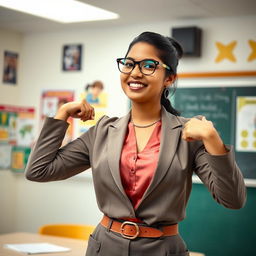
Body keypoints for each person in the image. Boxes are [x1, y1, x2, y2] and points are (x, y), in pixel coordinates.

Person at [25, 31, 246, 256]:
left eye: (149, 65)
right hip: (105, 248)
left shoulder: (188, 134)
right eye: (129, 64)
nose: (135, 73)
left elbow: (233, 199)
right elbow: (38, 171)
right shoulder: (102, 132)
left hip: (163, 250)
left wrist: (213, 140)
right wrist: (62, 115)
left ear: (169, 78)